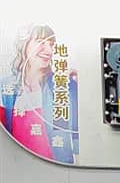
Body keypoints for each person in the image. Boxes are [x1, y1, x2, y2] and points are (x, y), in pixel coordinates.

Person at [0, 23, 76, 163]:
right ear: (24, 45)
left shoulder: (63, 85)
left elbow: (75, 132)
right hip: (16, 166)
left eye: (51, 44)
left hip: (56, 167)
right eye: (41, 42)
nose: (49, 50)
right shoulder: (5, 86)